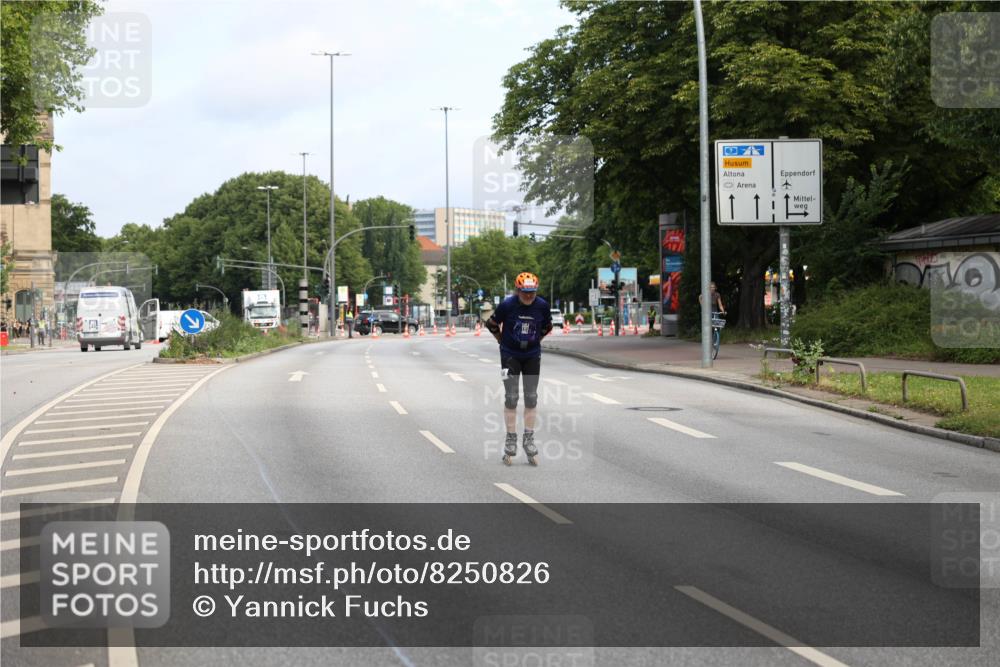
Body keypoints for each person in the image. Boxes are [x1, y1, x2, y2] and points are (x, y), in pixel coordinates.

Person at [484, 272, 553, 466]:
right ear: (517, 290)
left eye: (532, 293)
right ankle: (511, 438)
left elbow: (547, 326)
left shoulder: (542, 305)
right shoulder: (507, 305)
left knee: (531, 397)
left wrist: (535, 342)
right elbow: (491, 324)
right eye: (525, 293)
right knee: (511, 397)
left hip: (531, 355)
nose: (529, 296)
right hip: (509, 355)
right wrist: (501, 341)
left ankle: (529, 440)